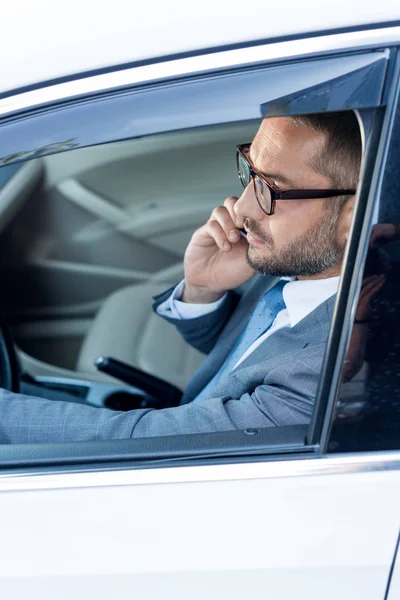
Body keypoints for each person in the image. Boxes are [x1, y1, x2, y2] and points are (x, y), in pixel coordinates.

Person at [0, 112, 362, 443]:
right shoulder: (306, 257)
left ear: (352, 215)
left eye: (272, 188)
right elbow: (249, 354)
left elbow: (148, 441)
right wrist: (203, 290)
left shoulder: (325, 369)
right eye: (252, 172)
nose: (241, 207)